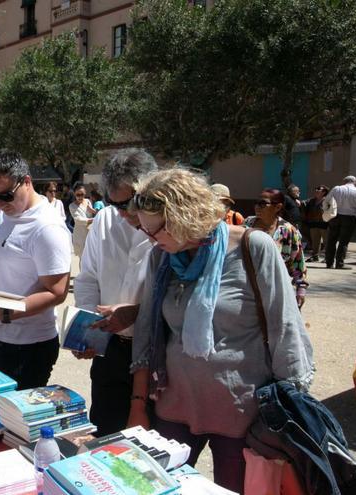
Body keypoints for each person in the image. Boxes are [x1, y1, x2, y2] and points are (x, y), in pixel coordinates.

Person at [129, 168, 313, 493]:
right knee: (155, 487)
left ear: (182, 218)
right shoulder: (163, 257)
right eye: (144, 230)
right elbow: (147, 332)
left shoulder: (254, 248)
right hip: (174, 406)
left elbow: (286, 328)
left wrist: (291, 414)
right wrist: (138, 404)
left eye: (155, 230)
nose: (150, 239)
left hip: (242, 415)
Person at [72, 148, 157, 437]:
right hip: (110, 350)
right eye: (114, 203)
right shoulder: (106, 221)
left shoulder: (171, 230)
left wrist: (135, 314)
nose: (123, 213)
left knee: (150, 443)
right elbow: (87, 279)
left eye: (129, 203)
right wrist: (87, 331)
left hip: (157, 356)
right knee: (105, 435)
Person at [0, 150, 71, 390]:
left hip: (28, 346)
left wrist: (9, 313)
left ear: (27, 182)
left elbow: (57, 291)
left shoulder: (47, 227)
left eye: (5, 196)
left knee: (16, 422)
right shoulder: (8, 212)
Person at [243, 189, 308, 308]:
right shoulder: (246, 226)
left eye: (262, 204)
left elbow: (298, 263)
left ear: (278, 207)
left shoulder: (289, 231)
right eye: (256, 203)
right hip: (246, 290)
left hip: (276, 291)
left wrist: (301, 290)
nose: (257, 207)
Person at [324, 175, 356, 269]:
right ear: (355, 182)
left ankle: (329, 263)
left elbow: (326, 201)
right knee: (343, 242)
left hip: (335, 217)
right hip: (350, 219)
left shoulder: (337, 189)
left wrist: (326, 212)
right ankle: (339, 264)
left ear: (344, 181)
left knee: (331, 240)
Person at [68, 184, 95, 262]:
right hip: (80, 235)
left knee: (92, 258)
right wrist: (93, 220)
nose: (80, 197)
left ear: (85, 193)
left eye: (82, 194)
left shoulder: (88, 201)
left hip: (91, 233)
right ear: (74, 194)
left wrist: (92, 210)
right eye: (78, 194)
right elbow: (78, 220)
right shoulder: (72, 206)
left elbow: (94, 212)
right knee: (83, 258)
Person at [303, 185, 330, 262]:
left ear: (324, 192)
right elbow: (303, 204)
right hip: (313, 223)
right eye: (316, 188)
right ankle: (315, 257)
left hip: (324, 223)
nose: (316, 190)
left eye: (319, 189)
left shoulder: (327, 200)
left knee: (326, 241)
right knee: (315, 242)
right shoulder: (311, 200)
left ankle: (328, 257)